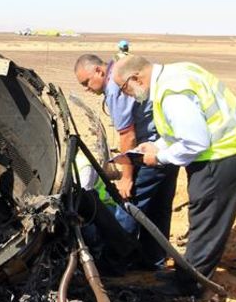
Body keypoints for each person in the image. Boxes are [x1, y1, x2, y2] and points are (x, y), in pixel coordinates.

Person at [112, 55, 236, 296]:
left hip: (224, 154)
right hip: (230, 148)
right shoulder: (177, 72)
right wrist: (156, 146)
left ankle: (191, 285)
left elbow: (194, 141)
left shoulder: (172, 94)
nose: (126, 95)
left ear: (136, 77)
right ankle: (191, 275)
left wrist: (158, 158)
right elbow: (181, 130)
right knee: (205, 216)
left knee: (207, 218)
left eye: (124, 88)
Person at [74, 54, 178, 269]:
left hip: (147, 152)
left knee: (129, 206)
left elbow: (127, 136)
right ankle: (154, 260)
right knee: (159, 207)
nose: (87, 88)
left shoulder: (114, 87)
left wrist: (126, 177)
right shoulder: (119, 79)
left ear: (99, 72)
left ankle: (117, 261)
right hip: (168, 146)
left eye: (86, 82)